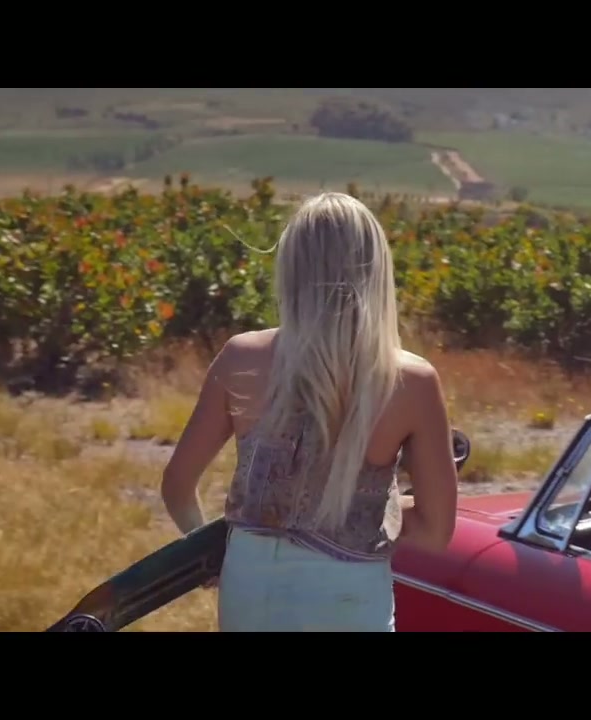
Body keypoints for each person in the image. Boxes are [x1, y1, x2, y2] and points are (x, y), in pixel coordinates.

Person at [159, 192, 459, 632]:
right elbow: (436, 531)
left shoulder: (241, 357)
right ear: (376, 268)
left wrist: (212, 556)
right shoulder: (411, 381)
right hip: (348, 595)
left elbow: (177, 484)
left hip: (249, 584)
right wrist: (375, 504)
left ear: (292, 267)